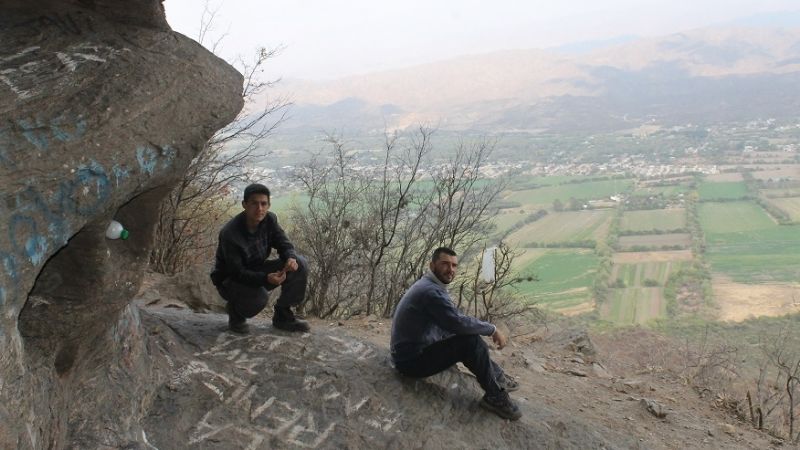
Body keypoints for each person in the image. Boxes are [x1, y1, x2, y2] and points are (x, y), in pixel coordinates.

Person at [390, 247, 522, 420]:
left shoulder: (430, 285)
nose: (450, 270)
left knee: (465, 338)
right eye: (445, 264)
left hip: (414, 351)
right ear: (432, 265)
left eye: (454, 265)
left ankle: (496, 376)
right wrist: (492, 329)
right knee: (470, 342)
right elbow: (457, 323)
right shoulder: (431, 292)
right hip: (410, 361)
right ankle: (495, 397)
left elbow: (451, 321)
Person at [210, 183, 310, 334]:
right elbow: (237, 272)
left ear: (269, 205)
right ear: (244, 205)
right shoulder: (230, 233)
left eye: (264, 204)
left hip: (256, 269)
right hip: (231, 280)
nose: (259, 209)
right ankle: (236, 312)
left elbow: (284, 244)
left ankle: (283, 316)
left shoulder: (269, 220)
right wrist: (266, 279)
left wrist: (290, 258)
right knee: (259, 298)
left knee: (300, 263)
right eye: (254, 203)